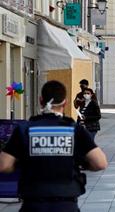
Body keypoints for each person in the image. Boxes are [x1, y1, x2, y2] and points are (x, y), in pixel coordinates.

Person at [0, 80, 108, 212]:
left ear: (40, 100)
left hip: (33, 204)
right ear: (65, 102)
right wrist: (81, 164)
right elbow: (101, 163)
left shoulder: (25, 129)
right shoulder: (74, 130)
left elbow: (4, 165)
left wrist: (23, 164)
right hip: (65, 204)